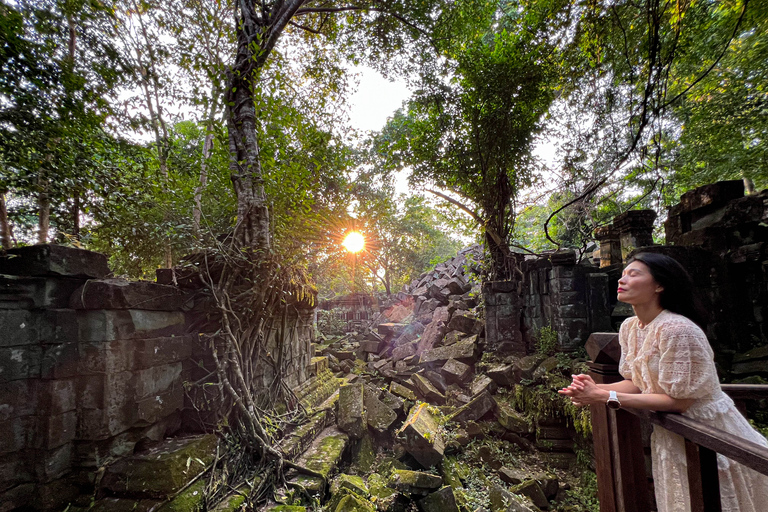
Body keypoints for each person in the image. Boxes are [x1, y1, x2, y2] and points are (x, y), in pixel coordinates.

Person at [559, 252, 768, 512]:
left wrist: (605, 397)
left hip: (713, 435)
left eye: (634, 274)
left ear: (659, 285)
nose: (622, 279)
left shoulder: (678, 330)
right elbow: (638, 382)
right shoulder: (630, 327)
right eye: (623, 274)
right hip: (673, 437)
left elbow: (679, 401)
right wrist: (593, 389)